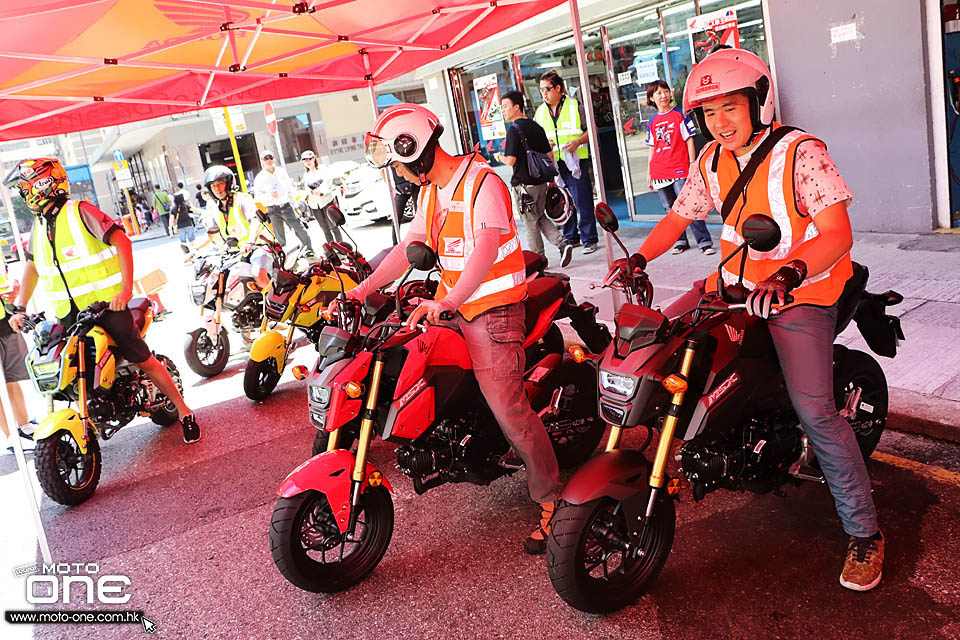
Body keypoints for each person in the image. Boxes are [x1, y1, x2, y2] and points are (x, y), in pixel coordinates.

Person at [612, 49, 883, 591]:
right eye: (709, 113)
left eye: (730, 108)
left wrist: (787, 274)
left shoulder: (802, 153)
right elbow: (677, 216)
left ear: (758, 103)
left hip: (802, 289)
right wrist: (639, 257)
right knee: (658, 340)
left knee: (816, 412)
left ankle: (865, 535)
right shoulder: (710, 159)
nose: (720, 122)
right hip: (735, 284)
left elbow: (837, 233)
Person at [358, 103, 562, 555]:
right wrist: (363, 288)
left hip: (493, 314)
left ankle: (551, 499)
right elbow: (408, 246)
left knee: (510, 409)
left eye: (398, 166)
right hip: (452, 309)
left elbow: (485, 250)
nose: (400, 176)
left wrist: (447, 301)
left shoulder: (483, 184)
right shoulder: (433, 190)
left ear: (415, 152)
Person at [9, 158, 201, 443]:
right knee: (68, 371)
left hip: (107, 308)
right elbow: (33, 268)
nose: (24, 195)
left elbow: (122, 241)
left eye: (26, 188)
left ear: (43, 184)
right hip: (69, 315)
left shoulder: (80, 211)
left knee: (144, 360)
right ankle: (88, 420)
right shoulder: (39, 225)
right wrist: (21, 307)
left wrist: (124, 292)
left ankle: (185, 412)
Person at [500, 90, 573, 268]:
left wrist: (498, 158)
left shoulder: (513, 131)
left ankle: (538, 261)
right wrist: (551, 180)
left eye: (505, 106)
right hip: (541, 182)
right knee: (539, 217)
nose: (503, 110)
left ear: (517, 107)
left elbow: (510, 160)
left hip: (524, 186)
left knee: (530, 222)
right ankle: (562, 243)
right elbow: (549, 154)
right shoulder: (536, 127)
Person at [644, 80, 715, 256]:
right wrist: (649, 174)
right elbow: (652, 148)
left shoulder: (679, 115)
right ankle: (680, 241)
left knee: (689, 206)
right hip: (660, 170)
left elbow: (689, 139)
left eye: (666, 91)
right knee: (670, 208)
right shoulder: (652, 122)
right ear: (652, 98)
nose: (664, 96)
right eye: (659, 93)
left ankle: (704, 242)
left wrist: (692, 164)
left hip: (680, 168)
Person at [534, 70, 599, 255]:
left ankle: (589, 239)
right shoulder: (540, 112)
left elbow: (592, 130)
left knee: (582, 199)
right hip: (554, 164)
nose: (544, 94)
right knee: (561, 200)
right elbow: (536, 140)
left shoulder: (574, 106)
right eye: (541, 90)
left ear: (559, 88)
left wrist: (578, 141)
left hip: (575, 161)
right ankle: (571, 237)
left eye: (547, 89)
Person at [253, 150, 314, 254]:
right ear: (262, 161)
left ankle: (309, 250)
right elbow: (258, 198)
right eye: (266, 159)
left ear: (274, 159)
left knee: (300, 229)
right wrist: (270, 196)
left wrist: (295, 207)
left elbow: (290, 190)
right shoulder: (260, 178)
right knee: (279, 236)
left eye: (270, 158)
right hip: (273, 209)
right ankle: (284, 256)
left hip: (287, 206)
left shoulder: (281, 172)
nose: (269, 161)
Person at [0, 279, 34, 454]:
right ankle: (11, 438)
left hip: (6, 320)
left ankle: (24, 427)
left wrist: (13, 287)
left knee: (11, 380)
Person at [201, 165, 266, 249]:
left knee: (258, 261)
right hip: (236, 253)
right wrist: (195, 250)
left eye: (220, 183)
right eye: (213, 185)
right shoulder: (215, 208)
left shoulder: (242, 199)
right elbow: (211, 233)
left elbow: (255, 222)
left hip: (258, 247)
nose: (217, 188)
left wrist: (250, 242)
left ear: (229, 184)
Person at [299, 150, 343, 252]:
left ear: (314, 158)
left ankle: (341, 249)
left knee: (334, 227)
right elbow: (307, 190)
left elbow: (328, 183)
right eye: (305, 160)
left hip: (326, 201)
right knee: (325, 229)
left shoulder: (323, 169)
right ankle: (331, 251)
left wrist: (321, 191)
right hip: (315, 205)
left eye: (309, 159)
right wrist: (310, 193)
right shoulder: (306, 175)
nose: (308, 162)